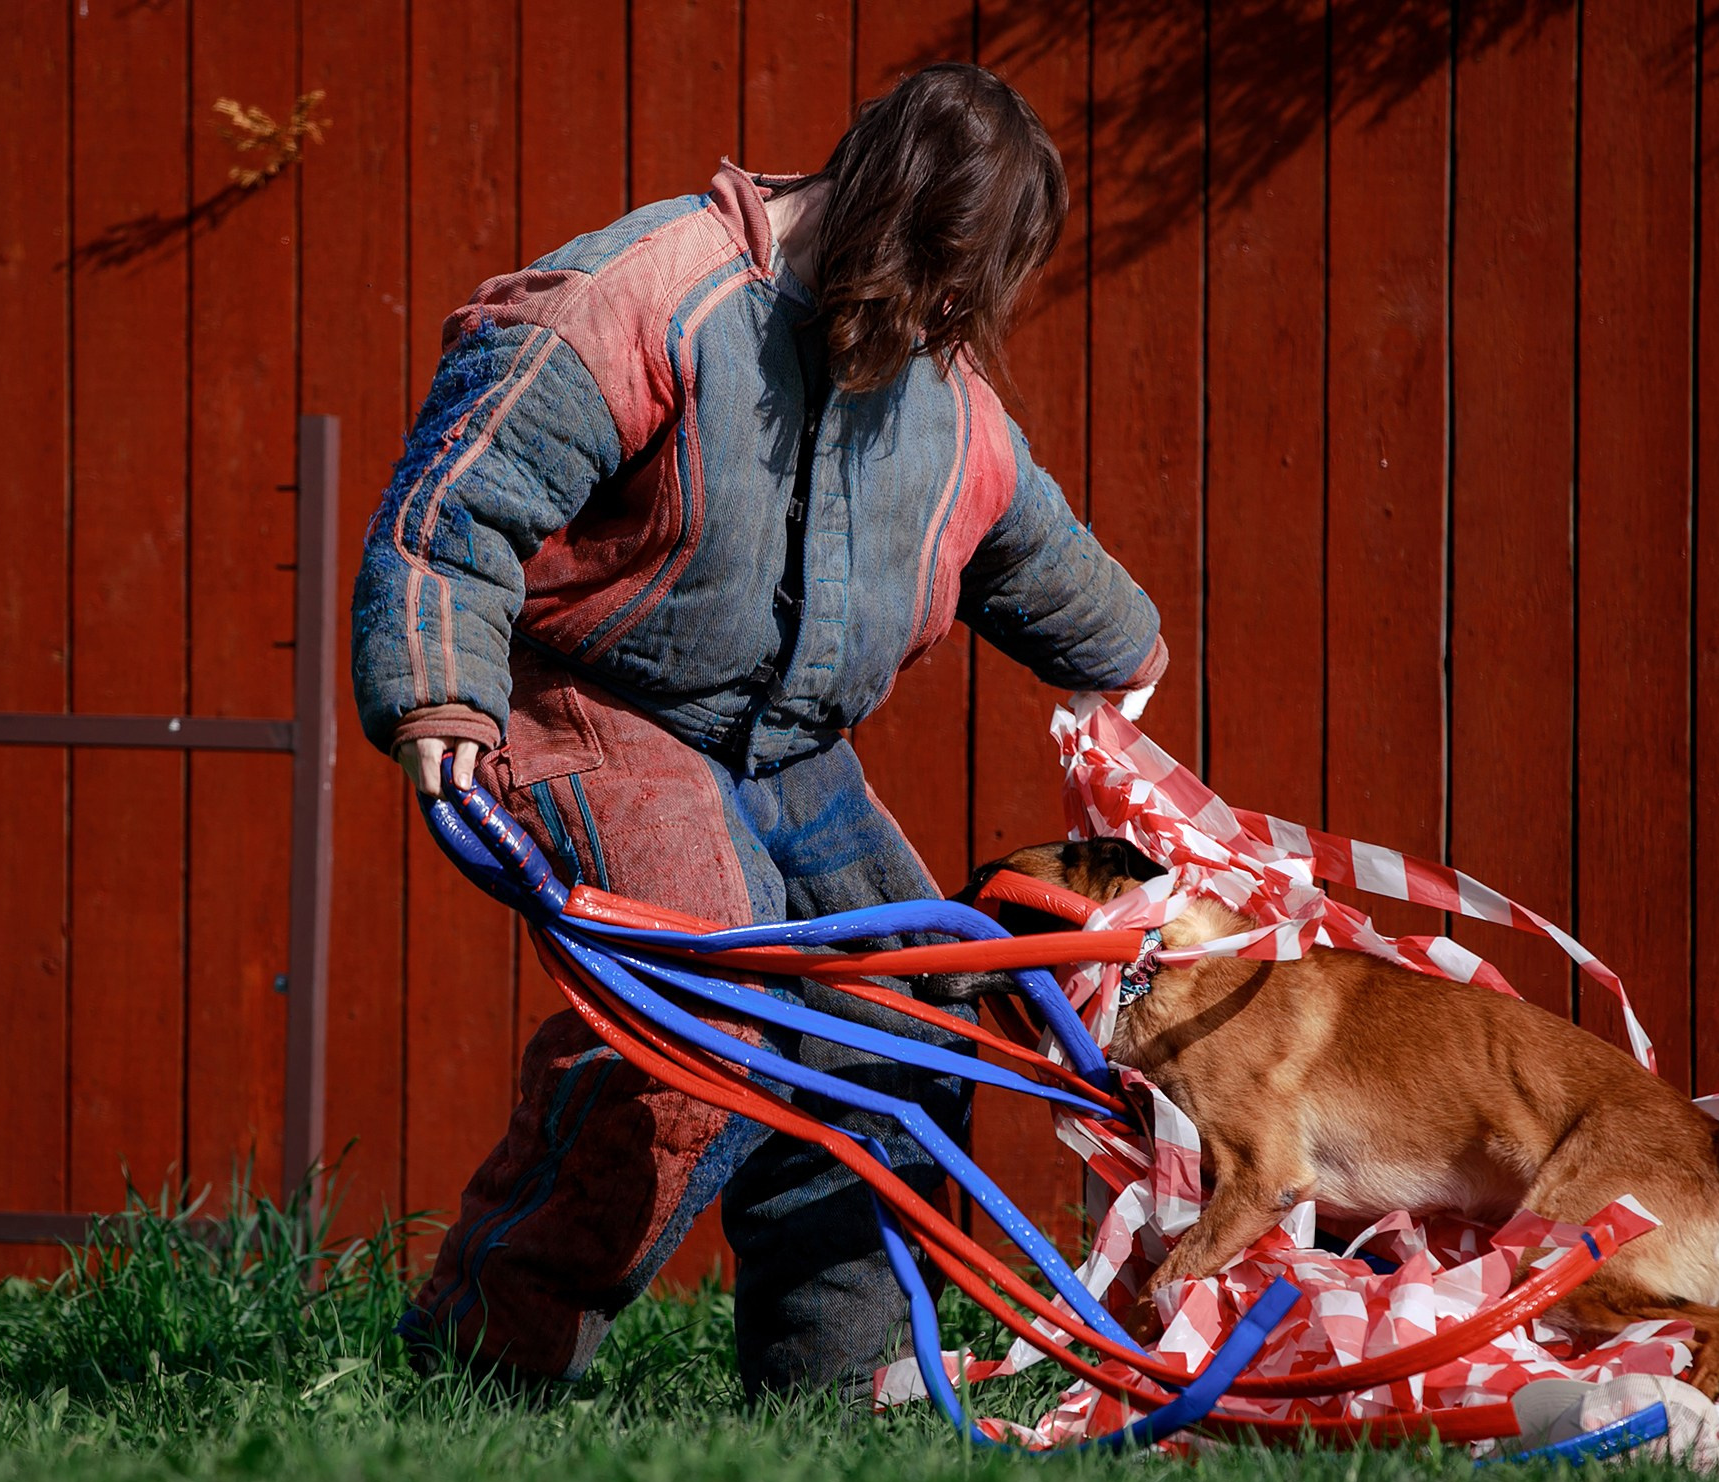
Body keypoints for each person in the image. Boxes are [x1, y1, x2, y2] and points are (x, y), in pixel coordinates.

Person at [352, 62, 1168, 1404]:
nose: (954, 316)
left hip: (784, 747)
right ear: (881, 208)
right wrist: (437, 686)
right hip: (592, 702)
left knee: (908, 1002)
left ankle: (838, 1383)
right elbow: (463, 495)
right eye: (941, 276)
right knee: (697, 1012)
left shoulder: (938, 385)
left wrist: (1123, 667)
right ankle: (484, 1360)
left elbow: (1030, 545)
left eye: (972, 294)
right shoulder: (654, 296)